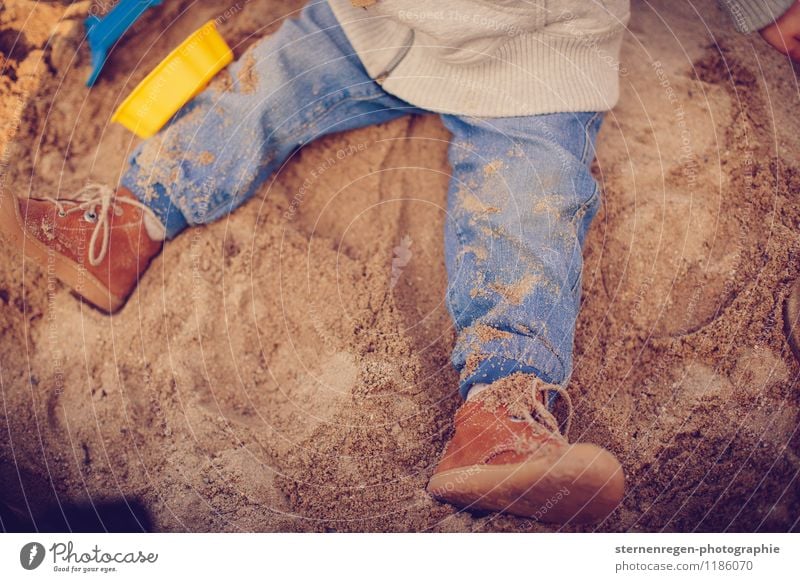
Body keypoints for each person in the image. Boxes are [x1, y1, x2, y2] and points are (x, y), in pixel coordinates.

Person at [1, 0, 797, 524]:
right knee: (261, 87)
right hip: (378, 22)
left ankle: (502, 407)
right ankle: (126, 224)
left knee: (531, 200)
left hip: (536, 53)